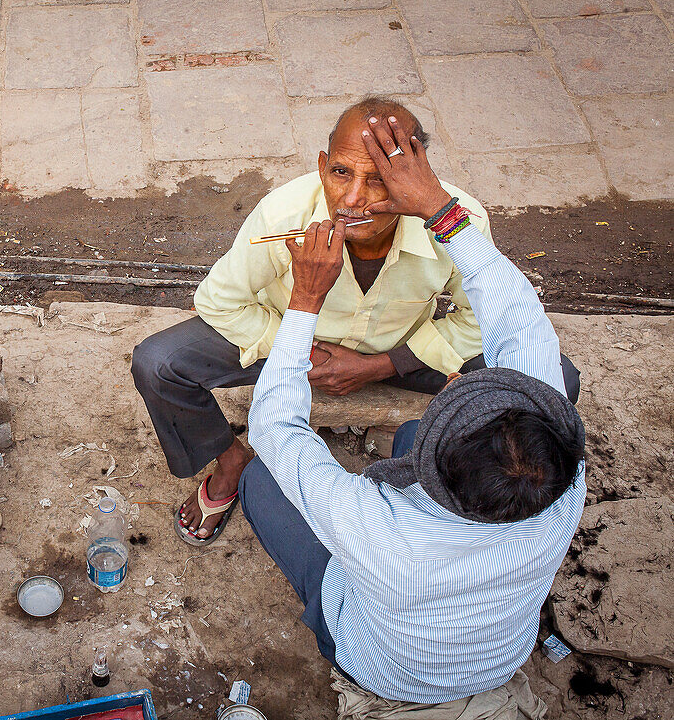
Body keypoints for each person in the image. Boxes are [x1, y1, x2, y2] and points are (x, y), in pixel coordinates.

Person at [240, 114, 584, 717]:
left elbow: (275, 429)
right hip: (501, 660)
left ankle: (328, 616)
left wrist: (304, 302)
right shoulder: (564, 483)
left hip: (379, 666)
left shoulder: (373, 525)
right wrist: (439, 205)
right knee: (406, 429)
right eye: (343, 174)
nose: (357, 196)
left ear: (428, 471)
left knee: (258, 477)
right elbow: (518, 312)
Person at [131, 96, 580, 545]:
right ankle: (231, 462)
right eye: (341, 173)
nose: (352, 200)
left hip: (405, 350)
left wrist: (383, 365)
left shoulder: (459, 221)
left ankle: (441, 475)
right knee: (159, 363)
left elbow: (478, 319)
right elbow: (218, 300)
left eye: (380, 179)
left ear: (415, 179)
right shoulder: (285, 214)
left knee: (552, 383)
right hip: (296, 338)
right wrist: (304, 353)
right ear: (323, 166)